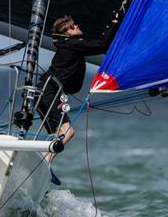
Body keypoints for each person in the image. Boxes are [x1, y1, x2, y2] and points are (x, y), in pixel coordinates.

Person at [36, 15, 118, 146]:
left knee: (58, 135)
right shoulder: (72, 45)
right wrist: (114, 24)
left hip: (43, 92)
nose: (76, 26)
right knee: (68, 133)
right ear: (67, 33)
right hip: (49, 93)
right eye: (72, 26)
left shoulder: (67, 46)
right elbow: (102, 45)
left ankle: (44, 160)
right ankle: (47, 159)